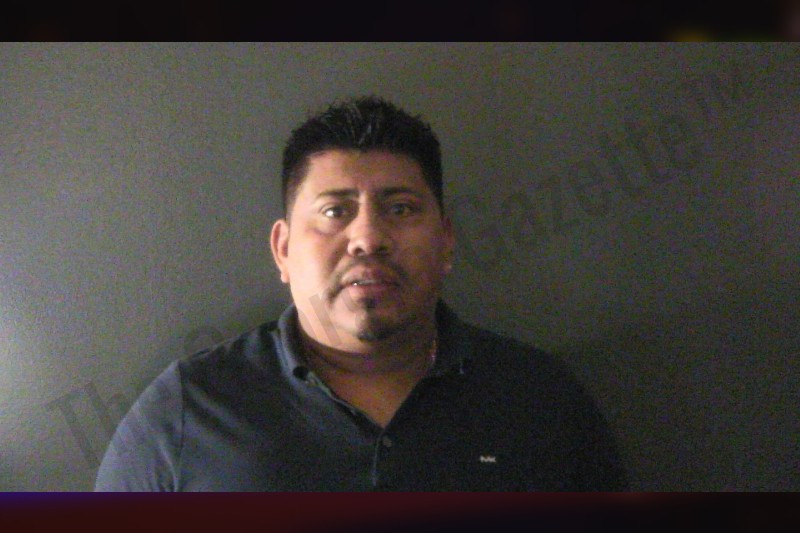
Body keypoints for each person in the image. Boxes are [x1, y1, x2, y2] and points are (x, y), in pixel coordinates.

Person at [95, 96, 628, 491]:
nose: (368, 238)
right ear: (283, 249)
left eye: (400, 208)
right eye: (335, 211)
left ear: (445, 241)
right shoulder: (187, 413)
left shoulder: (541, 402)